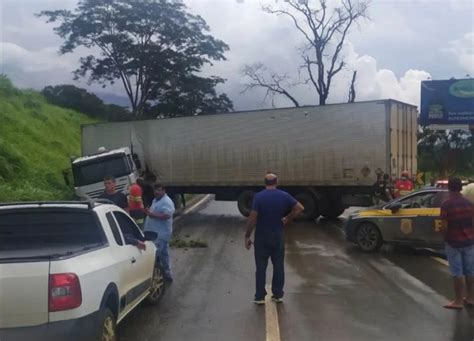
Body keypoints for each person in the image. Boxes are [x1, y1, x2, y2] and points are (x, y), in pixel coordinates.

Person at [244, 173, 304, 305]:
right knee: (278, 266)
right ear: (277, 182)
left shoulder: (258, 197)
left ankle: (259, 296)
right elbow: (300, 208)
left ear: (265, 183)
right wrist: (287, 218)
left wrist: (247, 236)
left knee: (260, 268)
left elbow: (253, 217)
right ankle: (277, 295)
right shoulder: (284, 196)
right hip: (277, 237)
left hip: (261, 237)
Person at [440, 177, 474, 310]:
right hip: (469, 241)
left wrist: (444, 238)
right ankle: (471, 298)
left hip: (453, 242)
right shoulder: (469, 203)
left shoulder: (446, 204)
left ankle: (458, 301)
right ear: (461, 187)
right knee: (470, 271)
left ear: (449, 188)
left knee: (457, 272)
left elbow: (444, 226)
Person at [99, 175, 146, 250]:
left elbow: (126, 211)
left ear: (114, 184)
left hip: (121, 223)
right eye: (105, 183)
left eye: (109, 183)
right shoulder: (101, 198)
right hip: (107, 224)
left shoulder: (121, 196)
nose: (107, 185)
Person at [144, 183, 176, 282]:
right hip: (155, 232)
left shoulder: (166, 201)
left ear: (164, 190)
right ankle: (167, 274)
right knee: (164, 254)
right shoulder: (156, 200)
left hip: (160, 234)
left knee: (155, 256)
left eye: (159, 190)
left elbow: (167, 215)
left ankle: (154, 277)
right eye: (155, 190)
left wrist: (152, 214)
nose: (156, 192)